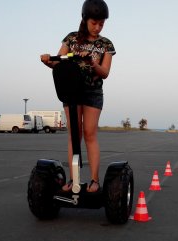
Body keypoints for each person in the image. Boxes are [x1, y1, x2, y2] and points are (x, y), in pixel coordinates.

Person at [40, 0, 115, 193]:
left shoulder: (106, 44)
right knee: (74, 135)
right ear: (85, 19)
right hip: (71, 90)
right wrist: (48, 61)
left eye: (101, 24)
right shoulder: (71, 38)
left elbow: (105, 72)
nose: (97, 27)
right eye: (94, 23)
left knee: (90, 134)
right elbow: (59, 62)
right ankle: (73, 180)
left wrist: (93, 63)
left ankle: (95, 181)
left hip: (92, 92)